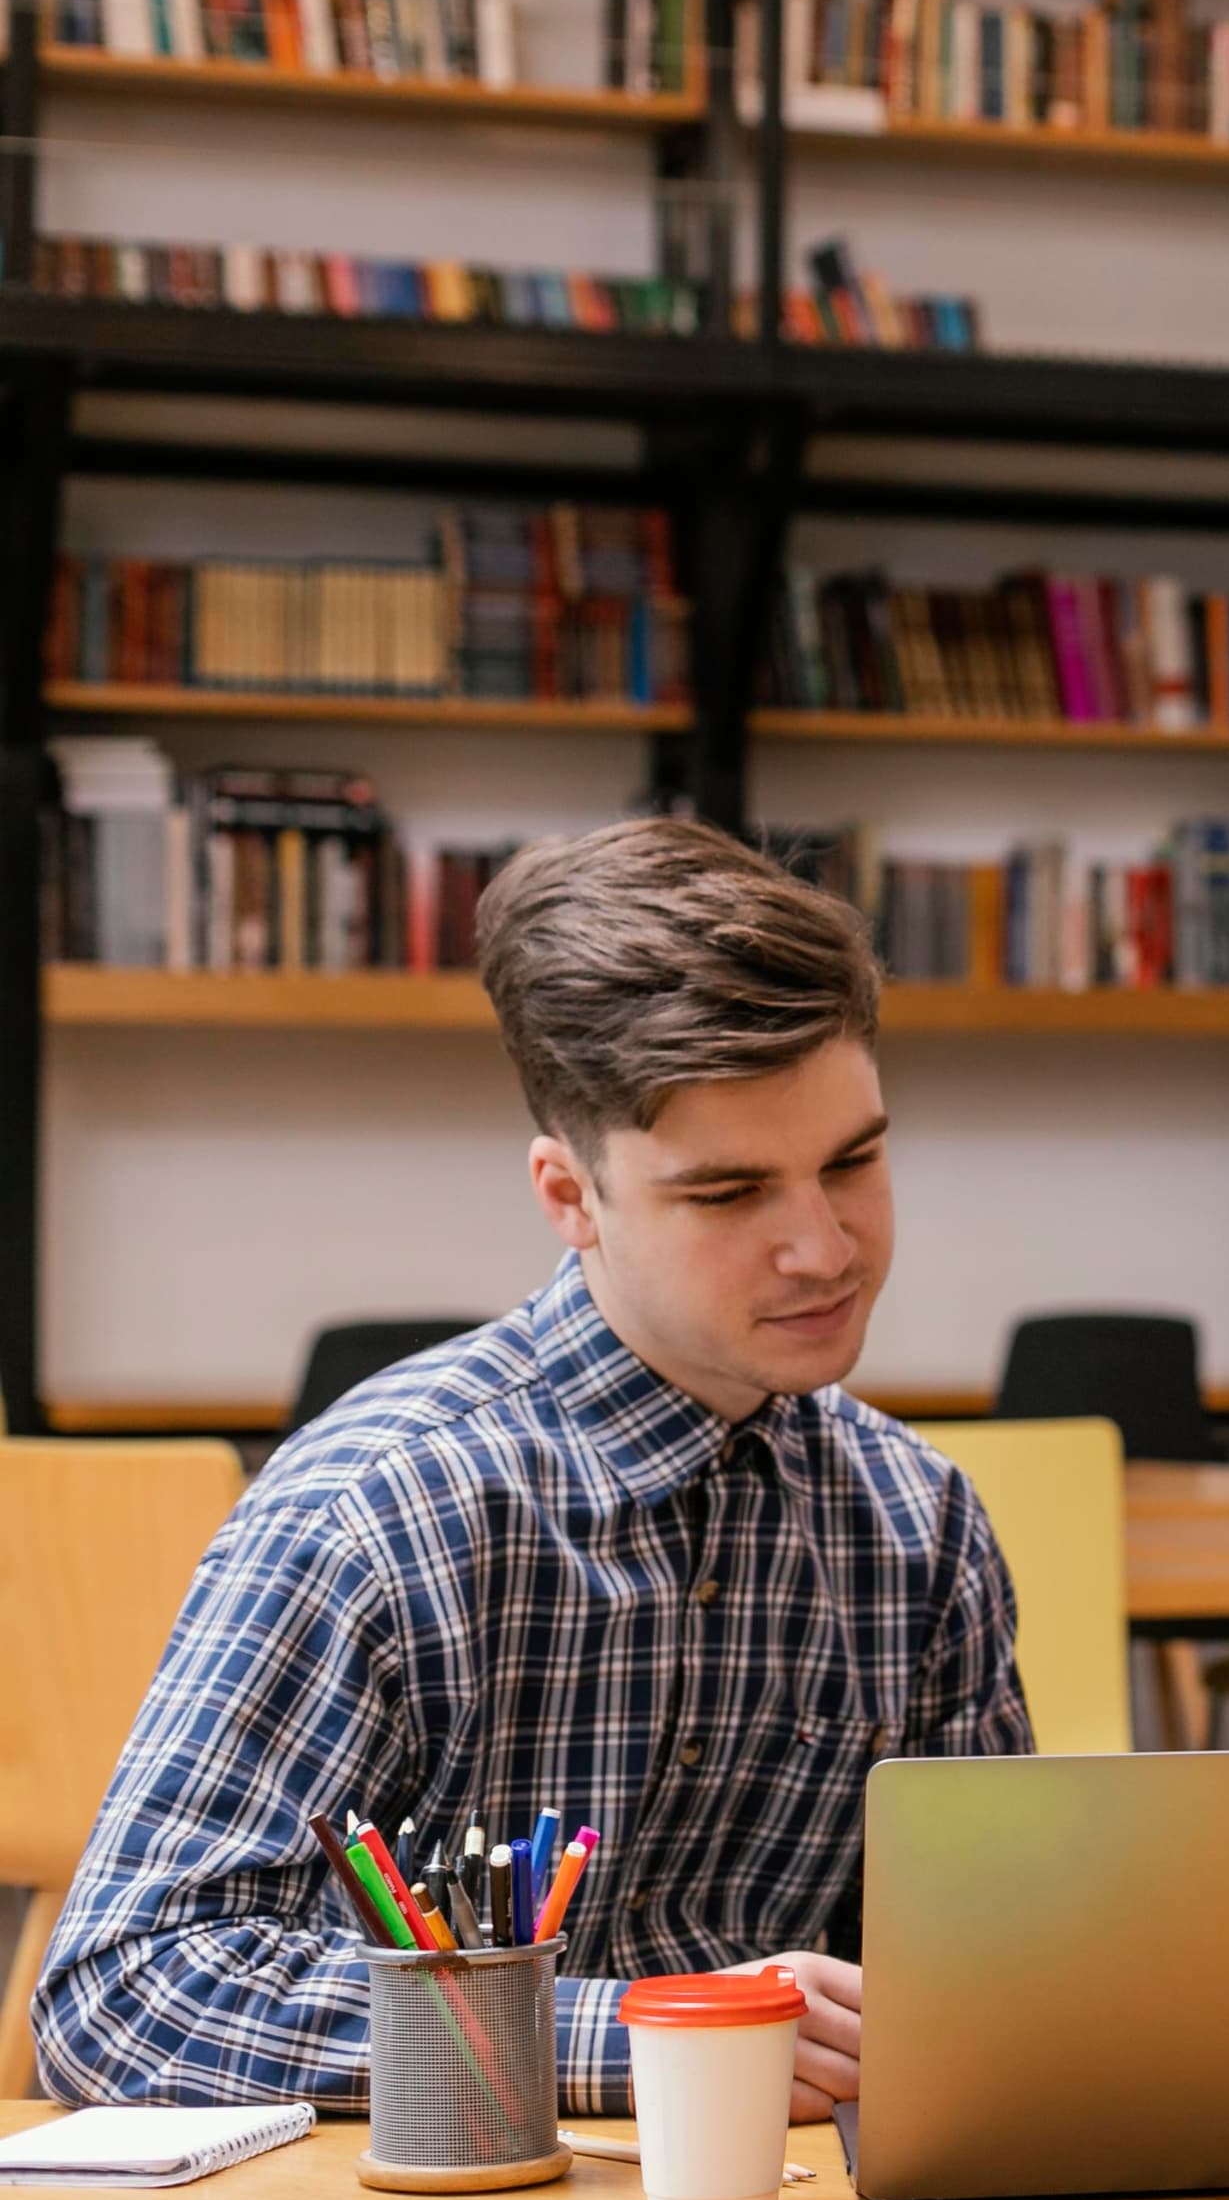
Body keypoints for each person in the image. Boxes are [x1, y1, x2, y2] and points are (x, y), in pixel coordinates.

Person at [30, 819, 1031, 2119]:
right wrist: (654, 2038)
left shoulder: (919, 1526)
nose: (822, 1248)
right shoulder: (377, 1517)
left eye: (853, 1161)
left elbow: (994, 1984)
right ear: (570, 1197)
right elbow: (124, 1993)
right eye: (728, 1195)